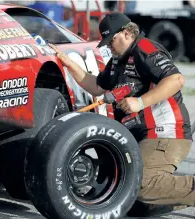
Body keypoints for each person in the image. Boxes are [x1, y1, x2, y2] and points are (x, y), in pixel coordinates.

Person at [49, 12, 194, 215]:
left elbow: (176, 80)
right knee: (126, 198)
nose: (109, 46)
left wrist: (140, 102)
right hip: (139, 137)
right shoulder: (118, 61)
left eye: (111, 40)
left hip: (166, 133)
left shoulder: (145, 49)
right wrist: (66, 62)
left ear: (126, 33)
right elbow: (96, 86)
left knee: (140, 184)